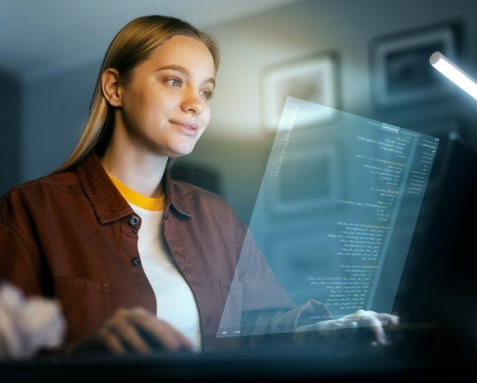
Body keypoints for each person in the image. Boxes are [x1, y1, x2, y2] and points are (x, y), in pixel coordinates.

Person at [0, 15, 398, 357]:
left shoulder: (218, 218)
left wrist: (325, 330)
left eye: (206, 91)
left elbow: (262, 329)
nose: (197, 104)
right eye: (175, 81)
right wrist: (86, 357)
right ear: (114, 88)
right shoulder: (31, 209)